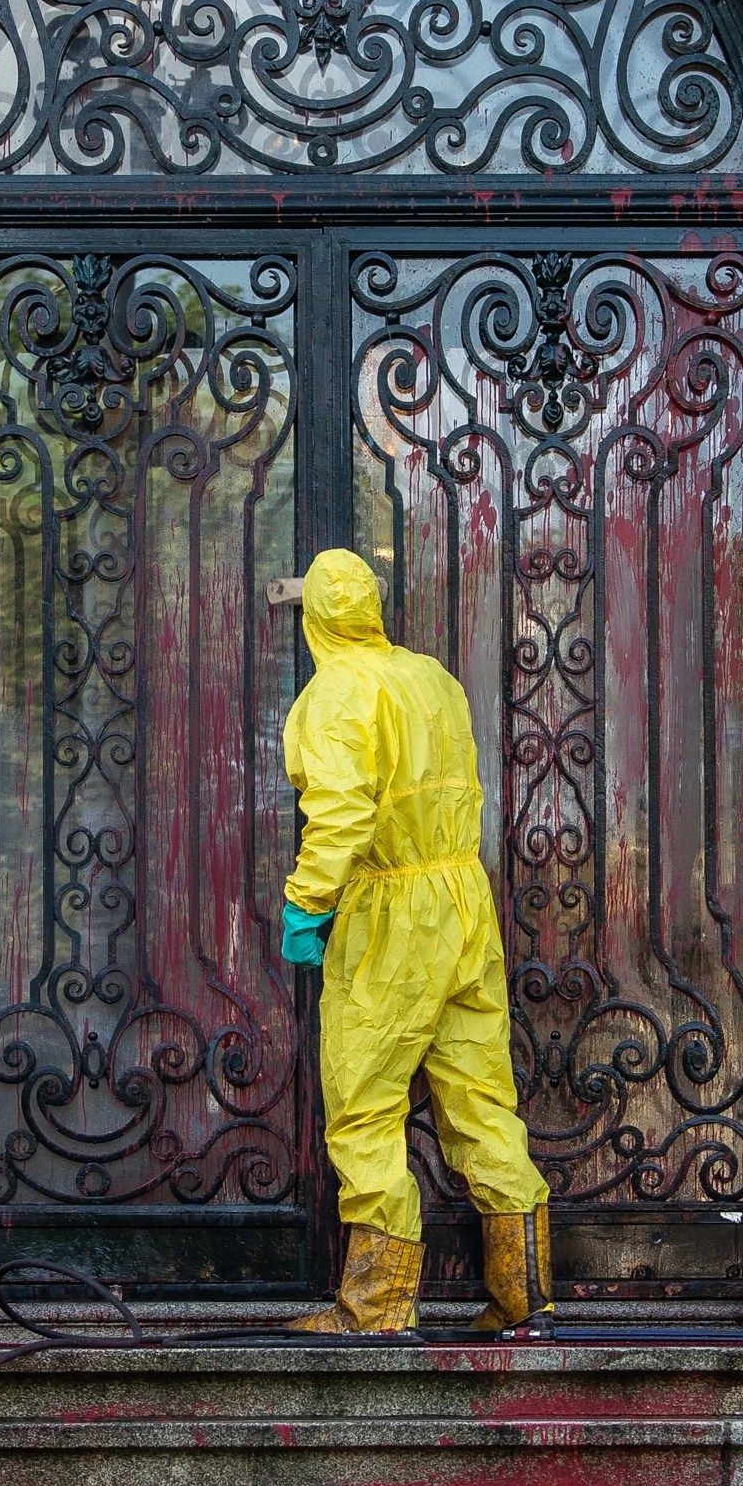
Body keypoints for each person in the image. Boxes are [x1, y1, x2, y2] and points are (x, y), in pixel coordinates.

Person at [275, 548, 556, 1339]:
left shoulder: (336, 693)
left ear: (315, 618)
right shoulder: (431, 677)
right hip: (462, 902)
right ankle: (524, 1299)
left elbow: (340, 813)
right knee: (480, 1099)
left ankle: (375, 1306)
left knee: (364, 1102)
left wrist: (306, 904)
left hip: (391, 909)